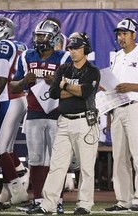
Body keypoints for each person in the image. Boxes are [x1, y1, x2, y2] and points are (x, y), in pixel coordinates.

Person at [28, 32, 100, 215]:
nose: (73, 51)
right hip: (64, 121)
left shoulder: (92, 71)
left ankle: (84, 204)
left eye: (77, 48)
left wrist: (65, 86)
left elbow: (85, 92)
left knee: (86, 167)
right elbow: (53, 93)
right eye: (70, 48)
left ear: (86, 50)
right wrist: (70, 89)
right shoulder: (63, 69)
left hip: (85, 122)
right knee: (57, 165)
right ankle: (48, 204)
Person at [10, 20, 71, 214]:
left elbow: (73, 84)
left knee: (56, 161)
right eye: (37, 36)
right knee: (35, 160)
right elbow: (13, 85)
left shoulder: (64, 58)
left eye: (43, 36)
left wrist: (57, 82)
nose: (39, 39)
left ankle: (57, 201)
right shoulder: (27, 56)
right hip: (35, 112)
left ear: (53, 37)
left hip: (56, 114)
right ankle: (38, 200)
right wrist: (22, 82)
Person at [104, 18, 138, 213]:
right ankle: (123, 200)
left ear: (134, 35)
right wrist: (109, 114)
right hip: (117, 109)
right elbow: (113, 87)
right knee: (119, 157)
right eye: (119, 34)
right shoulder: (117, 56)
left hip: (136, 107)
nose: (121, 37)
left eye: (125, 34)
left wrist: (131, 86)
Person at [0, 15, 28, 209]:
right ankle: (8, 191)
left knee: (0, 149)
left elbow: (1, 79)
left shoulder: (3, 46)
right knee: (6, 149)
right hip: (15, 99)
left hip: (7, 99)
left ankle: (18, 190)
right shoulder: (17, 45)